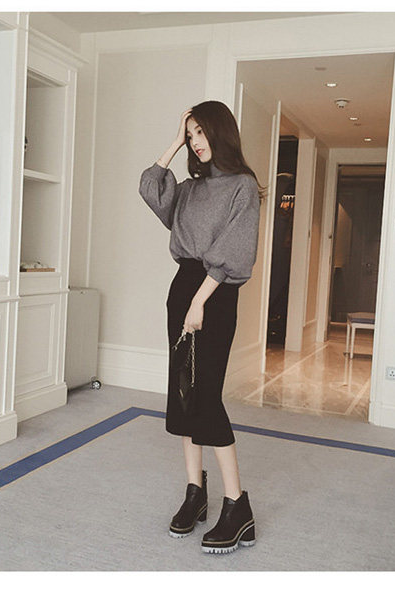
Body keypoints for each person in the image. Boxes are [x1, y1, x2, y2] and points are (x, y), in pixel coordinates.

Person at [138, 100, 262, 554]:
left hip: (214, 294)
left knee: (206, 396)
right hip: (183, 288)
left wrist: (199, 301)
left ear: (221, 132)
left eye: (201, 132)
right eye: (191, 135)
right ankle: (195, 492)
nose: (196, 142)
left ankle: (238, 505)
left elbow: (234, 253)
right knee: (184, 392)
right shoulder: (189, 190)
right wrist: (174, 141)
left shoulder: (243, 186)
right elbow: (150, 187)